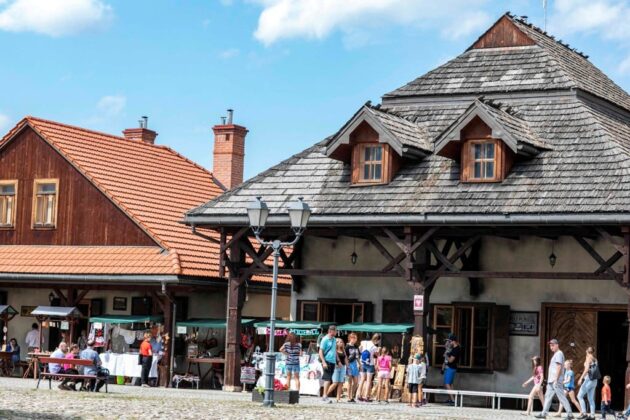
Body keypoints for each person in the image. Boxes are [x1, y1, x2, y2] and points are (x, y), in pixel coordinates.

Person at [535, 339, 573, 419]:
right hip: (551, 381)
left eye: (553, 345)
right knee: (547, 397)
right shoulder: (556, 354)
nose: (551, 347)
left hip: (556, 380)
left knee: (561, 397)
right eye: (550, 346)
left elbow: (559, 367)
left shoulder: (559, 354)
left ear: (557, 345)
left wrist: (556, 379)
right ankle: (544, 413)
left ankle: (570, 414)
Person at [356, 333, 380, 402]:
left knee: (362, 379)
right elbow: (377, 355)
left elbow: (360, 350)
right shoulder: (374, 347)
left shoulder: (363, 342)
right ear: (377, 340)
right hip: (370, 364)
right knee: (369, 381)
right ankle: (366, 396)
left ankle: (358, 395)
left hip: (362, 363)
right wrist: (378, 351)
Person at [577, 347, 599, 420]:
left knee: (579, 396)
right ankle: (592, 415)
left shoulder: (588, 358)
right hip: (594, 380)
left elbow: (586, 369)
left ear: (586, 351)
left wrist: (581, 378)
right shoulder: (595, 359)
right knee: (591, 399)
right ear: (593, 352)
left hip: (588, 380)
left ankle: (584, 414)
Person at [318, 325, 337, 403]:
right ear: (330, 331)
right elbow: (320, 351)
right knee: (327, 379)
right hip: (326, 361)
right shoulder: (325, 339)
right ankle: (324, 396)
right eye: (335, 331)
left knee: (329, 379)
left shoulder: (334, 339)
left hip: (332, 361)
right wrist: (323, 362)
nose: (336, 332)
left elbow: (334, 351)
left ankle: (325, 396)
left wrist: (337, 361)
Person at [327, 338, 346, 403]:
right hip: (336, 367)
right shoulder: (333, 350)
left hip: (343, 367)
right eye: (338, 342)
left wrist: (348, 366)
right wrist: (335, 364)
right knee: (335, 383)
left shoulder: (343, 350)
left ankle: (338, 398)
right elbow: (331, 358)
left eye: (341, 342)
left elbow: (345, 358)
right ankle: (325, 395)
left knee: (341, 383)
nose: (340, 343)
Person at [443, 333, 460, 406]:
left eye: (450, 341)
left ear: (453, 341)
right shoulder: (454, 348)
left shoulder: (456, 349)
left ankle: (453, 400)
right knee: (450, 384)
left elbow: (450, 360)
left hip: (451, 368)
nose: (449, 343)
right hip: (451, 368)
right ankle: (451, 399)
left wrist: (446, 356)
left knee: (447, 384)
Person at [345, 333, 360, 403]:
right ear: (350, 338)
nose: (354, 339)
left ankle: (352, 395)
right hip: (349, 364)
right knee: (350, 382)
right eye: (353, 338)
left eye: (355, 338)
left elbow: (357, 357)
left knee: (356, 382)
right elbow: (345, 356)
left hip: (355, 364)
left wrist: (360, 364)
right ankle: (349, 397)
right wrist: (347, 365)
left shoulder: (356, 346)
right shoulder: (347, 346)